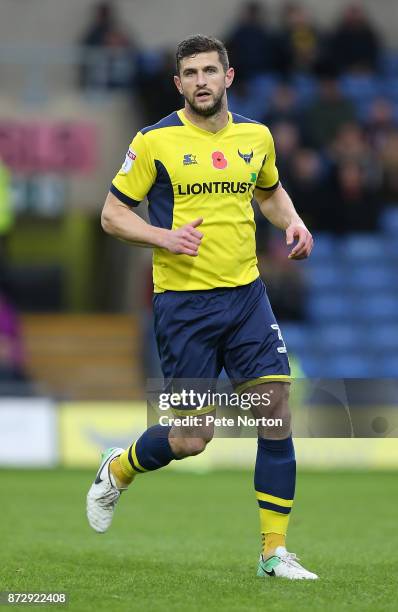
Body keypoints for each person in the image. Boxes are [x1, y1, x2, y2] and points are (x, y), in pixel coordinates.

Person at [87, 35, 317, 580]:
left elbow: (267, 191)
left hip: (246, 298)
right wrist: (163, 238)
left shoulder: (256, 137)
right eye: (190, 73)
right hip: (184, 308)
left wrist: (293, 221)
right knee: (192, 438)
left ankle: (273, 553)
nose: (201, 81)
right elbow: (111, 216)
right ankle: (119, 468)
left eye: (210, 71)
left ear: (228, 77)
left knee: (275, 413)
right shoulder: (153, 142)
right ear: (178, 84)